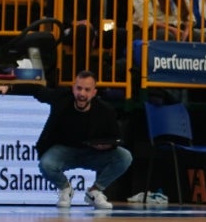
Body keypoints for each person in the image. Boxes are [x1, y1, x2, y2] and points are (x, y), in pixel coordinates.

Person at [30, 71, 131, 209]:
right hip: (64, 152)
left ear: (94, 92)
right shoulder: (62, 99)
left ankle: (95, 191)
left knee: (124, 156)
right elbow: (37, 90)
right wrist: (9, 88)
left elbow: (116, 138)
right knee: (46, 164)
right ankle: (65, 189)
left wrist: (106, 146)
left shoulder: (105, 111)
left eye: (87, 90)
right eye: (79, 88)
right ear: (73, 88)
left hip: (93, 153)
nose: (82, 94)